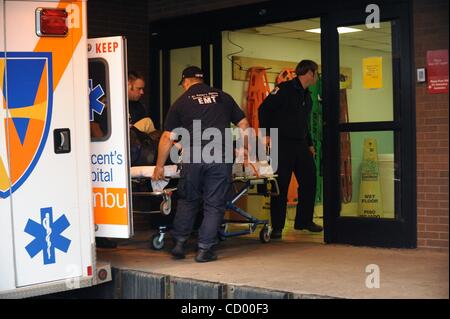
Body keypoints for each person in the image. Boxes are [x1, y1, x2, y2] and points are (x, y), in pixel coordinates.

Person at [152, 66, 249, 262]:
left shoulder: (180, 102)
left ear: (186, 82)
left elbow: (166, 137)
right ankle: (204, 250)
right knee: (214, 205)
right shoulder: (223, 97)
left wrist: (159, 166)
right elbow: (244, 124)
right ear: (202, 80)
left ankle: (179, 244)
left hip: (193, 157)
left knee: (188, 200)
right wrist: (243, 150)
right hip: (219, 157)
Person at [259, 59, 323, 240]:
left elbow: (304, 123)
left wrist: (310, 144)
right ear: (309, 73)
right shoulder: (284, 89)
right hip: (282, 143)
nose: (316, 76)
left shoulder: (307, 96)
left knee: (310, 180)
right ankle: (278, 227)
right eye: (316, 73)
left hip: (301, 144)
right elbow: (263, 109)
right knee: (281, 185)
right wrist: (267, 135)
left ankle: (304, 221)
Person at [128, 70, 156, 134]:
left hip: (137, 141)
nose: (142, 92)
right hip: (121, 140)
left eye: (142, 89)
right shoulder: (115, 103)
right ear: (128, 85)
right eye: (139, 88)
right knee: (147, 122)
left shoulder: (139, 107)